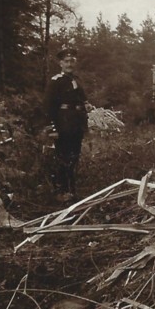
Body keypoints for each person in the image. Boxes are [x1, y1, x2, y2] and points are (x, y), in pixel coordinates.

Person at [43, 46, 90, 202]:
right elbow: (49, 107)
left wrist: (87, 105)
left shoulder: (77, 80)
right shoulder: (56, 81)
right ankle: (61, 191)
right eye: (66, 61)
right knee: (63, 157)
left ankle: (71, 190)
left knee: (74, 157)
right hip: (63, 124)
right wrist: (53, 128)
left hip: (76, 124)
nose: (70, 64)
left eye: (72, 61)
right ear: (60, 63)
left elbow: (83, 99)